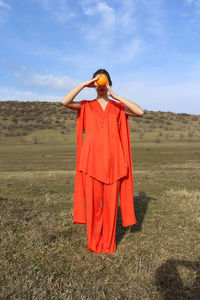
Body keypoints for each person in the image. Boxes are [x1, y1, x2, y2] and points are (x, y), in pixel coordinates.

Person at [62, 69, 144, 254]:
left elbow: (140, 112)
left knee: (110, 208)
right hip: (91, 164)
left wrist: (115, 95)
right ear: (94, 84)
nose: (100, 86)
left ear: (108, 84)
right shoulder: (86, 106)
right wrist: (84, 84)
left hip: (113, 164)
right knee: (92, 207)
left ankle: (108, 244)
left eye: (104, 82)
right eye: (97, 82)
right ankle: (94, 244)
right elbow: (64, 101)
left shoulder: (117, 107)